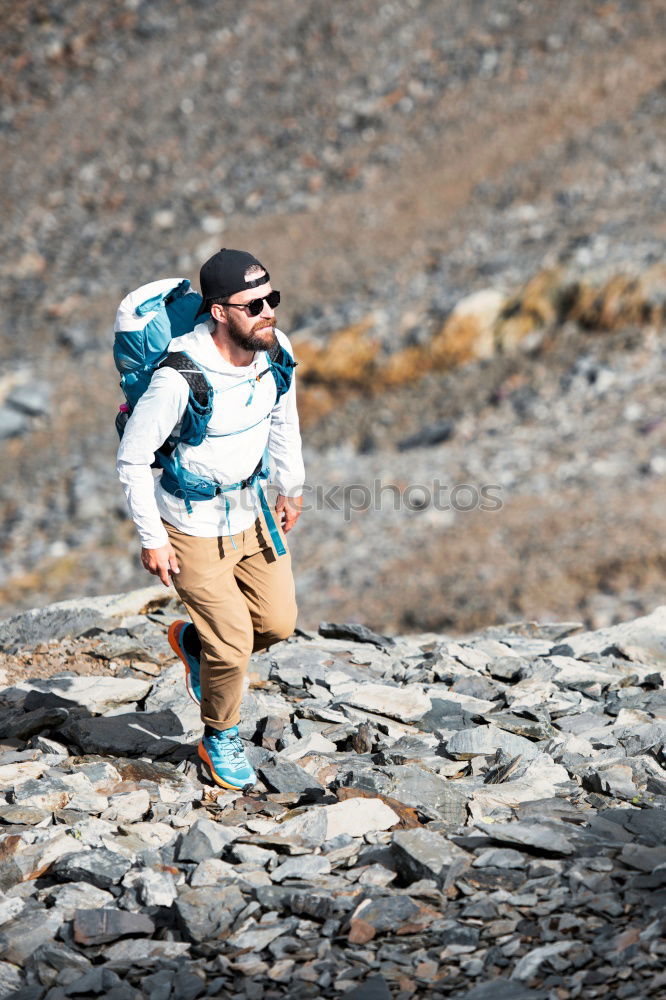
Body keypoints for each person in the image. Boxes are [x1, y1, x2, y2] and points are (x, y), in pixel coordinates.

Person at [117, 248, 304, 791]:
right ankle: (220, 735)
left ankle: (195, 648)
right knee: (234, 644)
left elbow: (283, 416)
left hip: (250, 515)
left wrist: (289, 486)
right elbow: (132, 458)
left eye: (273, 299)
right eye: (254, 305)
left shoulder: (275, 349)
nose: (268, 311)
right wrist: (153, 539)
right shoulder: (180, 377)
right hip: (191, 529)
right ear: (219, 311)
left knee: (276, 624)